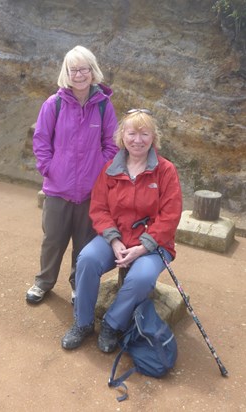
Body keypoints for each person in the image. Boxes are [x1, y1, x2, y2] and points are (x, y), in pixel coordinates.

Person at [61, 109, 183, 352]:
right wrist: (115, 241)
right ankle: (83, 322)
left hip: (152, 244)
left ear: (153, 137)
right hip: (114, 239)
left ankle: (112, 323)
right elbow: (99, 208)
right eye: (132, 133)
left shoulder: (165, 170)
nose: (138, 140)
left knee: (141, 278)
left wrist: (142, 247)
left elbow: (170, 215)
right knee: (86, 259)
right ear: (122, 136)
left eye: (144, 134)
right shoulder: (111, 168)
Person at [26, 45, 118, 305]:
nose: (79, 74)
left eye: (83, 69)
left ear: (92, 71)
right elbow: (41, 140)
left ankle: (78, 285)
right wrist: (49, 168)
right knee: (53, 240)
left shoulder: (103, 106)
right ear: (66, 73)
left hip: (91, 191)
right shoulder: (53, 104)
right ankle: (43, 283)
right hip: (57, 188)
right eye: (73, 69)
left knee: (84, 244)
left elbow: (111, 144)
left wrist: (100, 170)